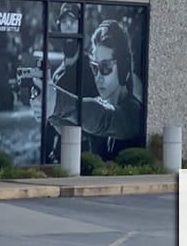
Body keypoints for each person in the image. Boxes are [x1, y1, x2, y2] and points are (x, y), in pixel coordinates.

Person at [32, 18, 144, 160]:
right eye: (94, 68)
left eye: (105, 67)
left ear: (123, 67)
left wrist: (56, 101)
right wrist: (49, 112)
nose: (98, 76)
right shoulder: (101, 105)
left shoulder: (134, 114)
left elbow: (103, 119)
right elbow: (75, 130)